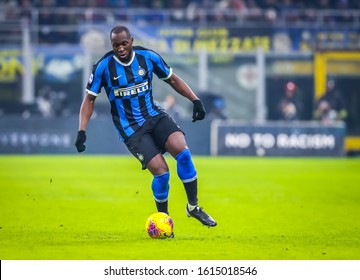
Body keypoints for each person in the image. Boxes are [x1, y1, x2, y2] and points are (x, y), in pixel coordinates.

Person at [75, 25, 217, 230]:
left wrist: (195, 100)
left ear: (131, 41)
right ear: (111, 45)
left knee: (183, 153)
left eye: (124, 43)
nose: (121, 48)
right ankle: (164, 220)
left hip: (154, 116)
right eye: (116, 45)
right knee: (162, 172)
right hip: (131, 128)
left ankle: (193, 207)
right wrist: (82, 131)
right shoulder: (103, 67)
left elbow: (172, 79)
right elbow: (89, 100)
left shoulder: (148, 57)